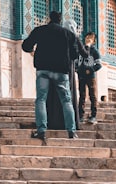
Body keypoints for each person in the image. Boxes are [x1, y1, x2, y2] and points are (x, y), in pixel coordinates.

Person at [22, 10, 82, 139]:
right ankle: (71, 131)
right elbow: (75, 55)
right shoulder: (68, 34)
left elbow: (25, 46)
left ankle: (41, 130)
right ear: (60, 20)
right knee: (66, 100)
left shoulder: (40, 30)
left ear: (49, 18)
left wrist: (33, 50)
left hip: (43, 70)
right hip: (61, 72)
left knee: (41, 100)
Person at [76, 32, 102, 124]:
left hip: (90, 77)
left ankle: (93, 115)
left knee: (92, 96)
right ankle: (80, 116)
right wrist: (77, 69)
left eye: (91, 38)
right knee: (82, 96)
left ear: (94, 41)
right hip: (81, 76)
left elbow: (99, 65)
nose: (88, 39)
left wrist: (90, 70)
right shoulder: (80, 50)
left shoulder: (95, 51)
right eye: (87, 37)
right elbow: (76, 61)